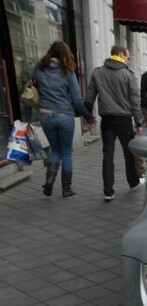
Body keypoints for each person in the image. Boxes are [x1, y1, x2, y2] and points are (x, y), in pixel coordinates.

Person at [34, 41, 96, 198]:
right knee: (66, 153)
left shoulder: (39, 70)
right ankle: (66, 189)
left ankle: (49, 182)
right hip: (64, 116)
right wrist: (88, 116)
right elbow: (76, 99)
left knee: (55, 150)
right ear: (65, 54)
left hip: (45, 115)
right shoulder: (68, 72)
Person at [84, 45, 145, 202]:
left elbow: (89, 97)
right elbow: (134, 101)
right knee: (128, 152)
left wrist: (88, 116)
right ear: (120, 55)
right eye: (128, 57)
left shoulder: (97, 73)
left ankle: (108, 190)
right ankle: (133, 182)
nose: (129, 60)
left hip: (107, 120)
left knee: (108, 155)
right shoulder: (127, 75)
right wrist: (139, 122)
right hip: (124, 119)